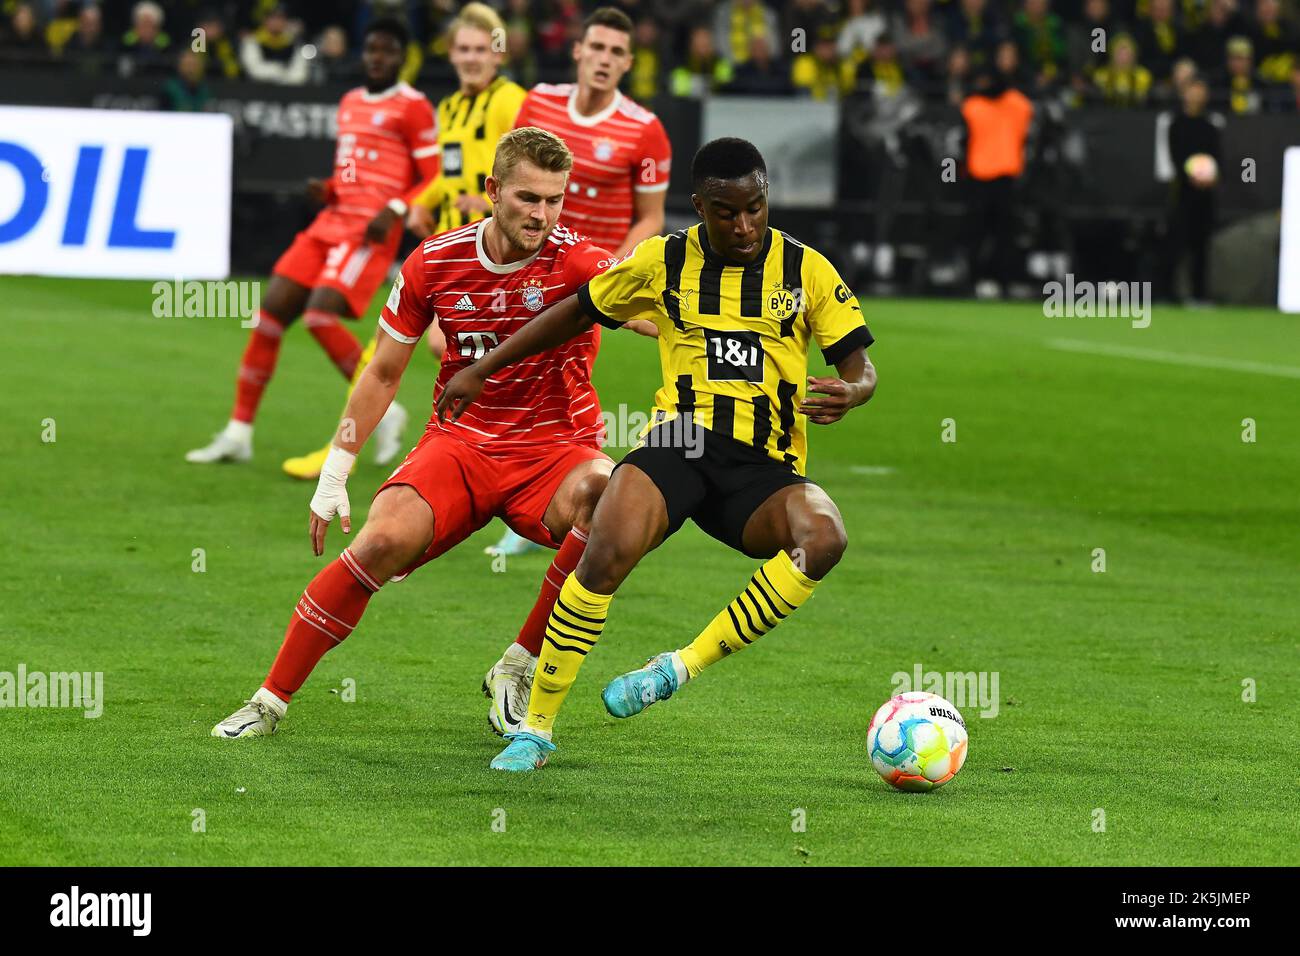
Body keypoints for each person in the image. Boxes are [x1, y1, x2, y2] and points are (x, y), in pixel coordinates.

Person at [434, 138, 877, 773]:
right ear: (699, 207)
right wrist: (485, 366)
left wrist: (853, 392)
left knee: (824, 536)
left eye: (757, 207)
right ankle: (535, 731)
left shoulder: (807, 270)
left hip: (764, 468)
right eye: (727, 212)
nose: (745, 224)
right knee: (603, 552)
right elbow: (573, 312)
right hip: (681, 443)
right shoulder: (662, 261)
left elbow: (860, 365)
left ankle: (677, 668)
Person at [211, 128, 647, 740]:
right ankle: (268, 701)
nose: (542, 214)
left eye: (554, 200)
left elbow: (659, 312)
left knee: (611, 495)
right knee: (380, 541)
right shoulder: (435, 261)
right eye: (528, 198)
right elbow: (383, 371)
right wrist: (337, 470)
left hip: (557, 450)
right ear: (492, 190)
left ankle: (518, 665)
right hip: (460, 444)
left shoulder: (581, 262)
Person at [282, 3, 527, 482]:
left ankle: (513, 450)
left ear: (497, 54)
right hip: (452, 244)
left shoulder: (510, 100)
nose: (472, 58)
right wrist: (422, 201)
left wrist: (495, 202)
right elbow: (446, 174)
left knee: (459, 350)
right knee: (393, 343)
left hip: (500, 252)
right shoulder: (452, 106)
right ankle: (343, 450)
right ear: (451, 54)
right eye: (464, 49)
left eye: (482, 49)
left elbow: (538, 163)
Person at [185, 18, 438, 467]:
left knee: (320, 316)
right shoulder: (350, 102)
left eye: (388, 51)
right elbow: (350, 170)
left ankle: (384, 413)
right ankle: (239, 432)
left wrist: (395, 211)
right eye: (372, 50)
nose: (378, 58)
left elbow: (433, 176)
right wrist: (330, 187)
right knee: (269, 315)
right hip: (330, 222)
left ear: (403, 58)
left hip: (368, 233)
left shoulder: (414, 107)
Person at [487, 5, 672, 559]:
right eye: (597, 47)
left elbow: (650, 217)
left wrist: (609, 276)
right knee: (504, 370)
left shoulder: (644, 129)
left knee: (562, 385)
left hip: (589, 282)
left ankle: (571, 499)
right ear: (578, 50)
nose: (604, 59)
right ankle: (533, 494)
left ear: (628, 63)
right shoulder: (538, 102)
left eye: (616, 52)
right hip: (527, 267)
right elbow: (516, 174)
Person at [1165, 77, 1219, 304]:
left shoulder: (1210, 127)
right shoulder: (1176, 124)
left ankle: (1199, 294)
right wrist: (1190, 175)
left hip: (1205, 195)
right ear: (1184, 94)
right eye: (1192, 91)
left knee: (1201, 246)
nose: (1196, 96)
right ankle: (1169, 294)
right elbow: (1176, 157)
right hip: (1183, 193)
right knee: (1177, 244)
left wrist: (1211, 175)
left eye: (1200, 91)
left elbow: (1217, 157)